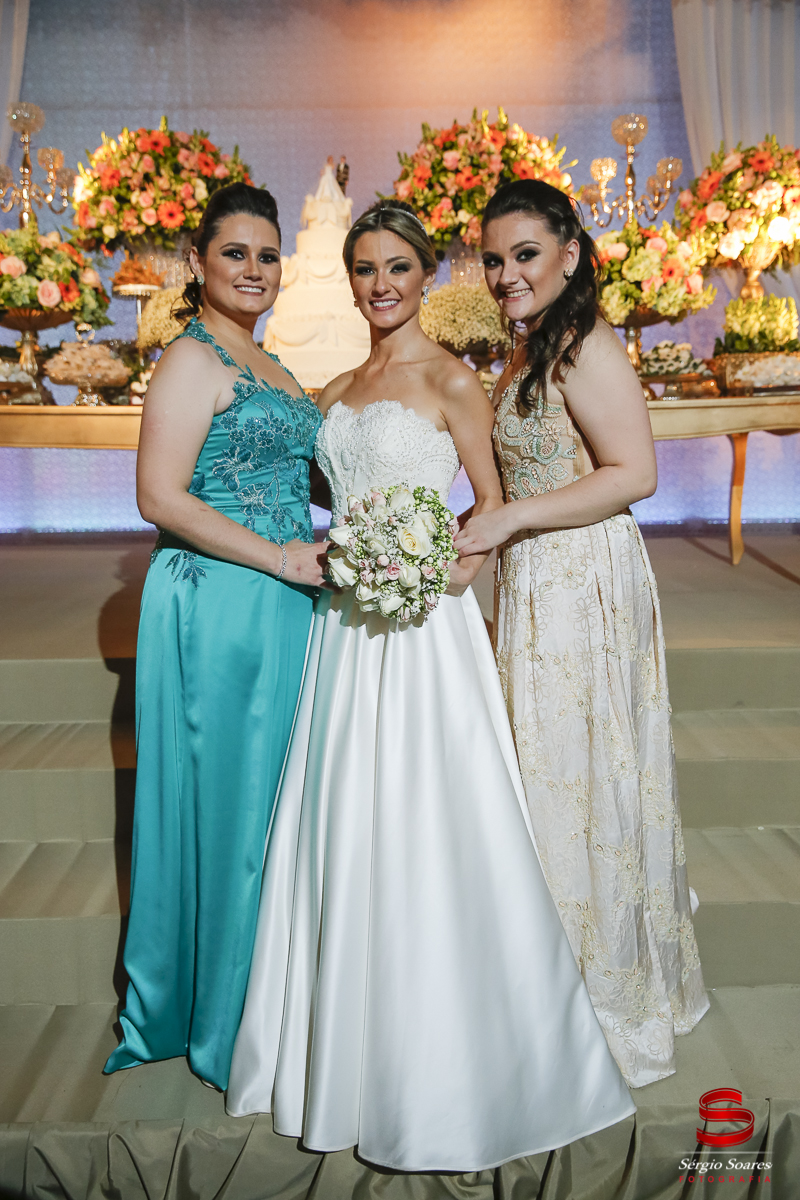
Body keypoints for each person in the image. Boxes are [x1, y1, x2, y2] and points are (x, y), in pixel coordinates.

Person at [226, 200, 635, 1171]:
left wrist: (427, 574)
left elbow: (489, 511)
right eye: (364, 269)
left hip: (420, 630)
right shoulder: (333, 391)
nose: (380, 286)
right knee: (343, 817)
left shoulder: (454, 381)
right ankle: (337, 1044)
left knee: (428, 818)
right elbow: (318, 496)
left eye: (398, 268)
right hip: (343, 633)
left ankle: (459, 1052)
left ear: (425, 276)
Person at [454, 179, 709, 1088]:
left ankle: (599, 1004)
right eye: (494, 259)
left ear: (570, 253)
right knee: (547, 771)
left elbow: (634, 472)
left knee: (578, 773)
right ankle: (547, 991)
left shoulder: (587, 342)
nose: (507, 274)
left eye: (525, 254)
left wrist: (512, 520)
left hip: (584, 579)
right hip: (537, 577)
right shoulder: (531, 344)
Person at [104, 183, 328, 1091]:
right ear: (197, 263)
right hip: (221, 601)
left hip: (282, 600)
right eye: (235, 252)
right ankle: (219, 1015)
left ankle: (267, 1001)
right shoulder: (191, 359)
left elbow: (307, 476)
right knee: (229, 807)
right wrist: (280, 559)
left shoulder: (273, 364)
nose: (254, 269)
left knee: (270, 803)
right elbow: (159, 496)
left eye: (268, 255)